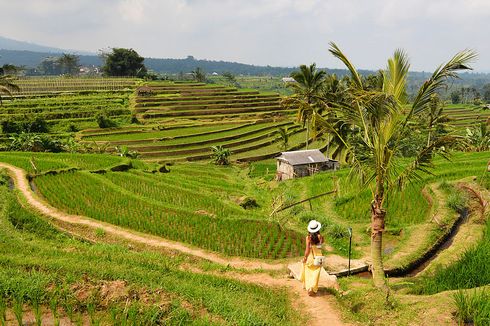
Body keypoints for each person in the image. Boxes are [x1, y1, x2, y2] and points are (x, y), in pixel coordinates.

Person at [299, 220, 324, 296]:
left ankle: (309, 287)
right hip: (318, 258)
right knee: (316, 273)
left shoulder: (308, 238)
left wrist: (305, 257)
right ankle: (312, 287)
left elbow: (307, 249)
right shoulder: (320, 237)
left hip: (311, 257)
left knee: (308, 271)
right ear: (317, 229)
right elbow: (321, 245)